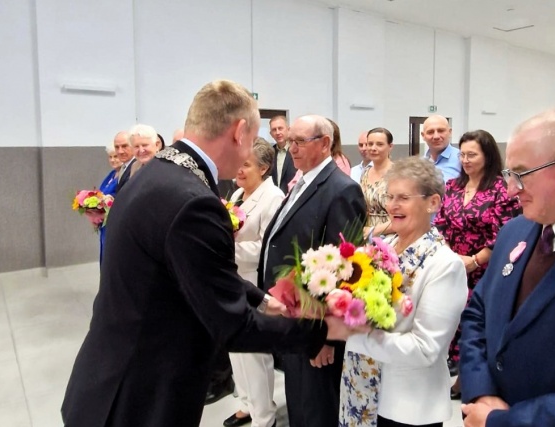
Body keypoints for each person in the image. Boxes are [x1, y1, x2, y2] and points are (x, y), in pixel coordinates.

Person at [61, 80, 357, 427]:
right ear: (239, 132)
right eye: (252, 140)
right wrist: (320, 332)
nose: (248, 155)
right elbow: (233, 325)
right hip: (139, 395)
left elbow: (194, 268)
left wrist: (262, 299)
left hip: (107, 377)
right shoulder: (193, 200)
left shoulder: (155, 173)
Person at [459, 110, 555, 426]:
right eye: (509, 174)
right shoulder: (515, 231)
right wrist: (481, 392)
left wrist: (504, 421)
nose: (511, 190)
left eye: (522, 174)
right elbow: (478, 312)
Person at [339, 156, 468, 427]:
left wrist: (355, 335)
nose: (392, 205)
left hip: (406, 406)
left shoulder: (445, 264)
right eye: (389, 196)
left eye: (403, 198)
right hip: (362, 390)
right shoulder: (379, 249)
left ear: (433, 202)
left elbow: (425, 349)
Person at [258, 114, 367, 427]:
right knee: (299, 403)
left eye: (299, 141)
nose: (291, 148)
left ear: (324, 143)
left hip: (315, 327)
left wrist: (327, 338)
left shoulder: (341, 189)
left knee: (317, 407)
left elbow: (345, 271)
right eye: (290, 141)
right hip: (293, 317)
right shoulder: (303, 181)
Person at [433, 130, 521, 397]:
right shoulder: (453, 186)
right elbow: (441, 224)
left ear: (487, 156)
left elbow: (506, 232)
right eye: (462, 154)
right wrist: (449, 256)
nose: (465, 160)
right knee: (450, 319)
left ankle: (467, 380)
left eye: (472, 155)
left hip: (485, 269)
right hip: (453, 265)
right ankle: (454, 373)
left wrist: (474, 260)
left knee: (475, 326)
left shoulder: (501, 189)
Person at [224, 138, 285, 427]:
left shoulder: (273, 197)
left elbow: (267, 246)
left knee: (255, 354)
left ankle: (264, 415)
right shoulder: (238, 193)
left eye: (246, 165)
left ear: (263, 168)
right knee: (235, 346)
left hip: (253, 278)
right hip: (232, 277)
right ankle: (246, 403)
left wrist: (226, 248)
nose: (239, 170)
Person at [361, 127, 395, 238]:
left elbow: (406, 215)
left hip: (391, 235)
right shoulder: (365, 173)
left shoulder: (398, 173)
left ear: (390, 146)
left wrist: (374, 231)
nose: (373, 148)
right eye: (370, 144)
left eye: (379, 144)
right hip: (366, 235)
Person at [97, 145, 122, 264]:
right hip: (105, 223)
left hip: (114, 223)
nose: (113, 160)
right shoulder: (112, 174)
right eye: (110, 157)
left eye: (115, 156)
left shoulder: (124, 175)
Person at [421, 115, 461, 182]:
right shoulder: (420, 163)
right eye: (430, 132)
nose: (436, 136)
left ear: (450, 132)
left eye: (441, 131)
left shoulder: (462, 159)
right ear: (423, 136)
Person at [269, 115, 296, 193]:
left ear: (288, 130)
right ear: (271, 134)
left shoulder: (297, 150)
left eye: (280, 128)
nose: (277, 132)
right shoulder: (269, 153)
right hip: (274, 197)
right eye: (274, 130)